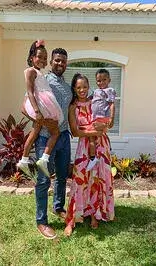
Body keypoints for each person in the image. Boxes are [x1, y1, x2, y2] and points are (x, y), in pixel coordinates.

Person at [64, 73, 115, 237]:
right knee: (79, 180)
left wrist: (107, 122)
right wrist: (94, 131)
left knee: (98, 179)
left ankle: (95, 214)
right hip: (84, 148)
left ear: (89, 86)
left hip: (102, 145)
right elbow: (75, 131)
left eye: (85, 86)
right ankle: (72, 218)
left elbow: (107, 123)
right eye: (78, 87)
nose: (82, 90)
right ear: (74, 88)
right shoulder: (73, 106)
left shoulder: (96, 100)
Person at [35, 48, 72, 239]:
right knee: (43, 180)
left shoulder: (67, 86)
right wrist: (42, 121)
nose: (60, 64)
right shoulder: (42, 81)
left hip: (64, 137)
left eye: (63, 61)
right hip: (45, 138)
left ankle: (59, 207)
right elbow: (26, 106)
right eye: (57, 60)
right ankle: (41, 221)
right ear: (51, 61)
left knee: (62, 176)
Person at [17, 40, 64, 177]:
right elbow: (30, 92)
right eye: (39, 57)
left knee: (35, 132)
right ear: (32, 57)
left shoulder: (38, 72)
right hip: (41, 105)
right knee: (55, 132)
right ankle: (44, 159)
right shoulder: (30, 71)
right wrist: (37, 111)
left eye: (45, 58)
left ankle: (24, 160)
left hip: (42, 104)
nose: (42, 60)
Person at [86, 68, 116, 171]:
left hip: (103, 117)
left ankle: (93, 158)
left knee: (92, 136)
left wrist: (112, 118)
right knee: (97, 136)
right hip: (95, 118)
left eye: (104, 80)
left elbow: (112, 104)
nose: (101, 82)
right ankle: (106, 151)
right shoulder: (95, 91)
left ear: (109, 80)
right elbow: (89, 100)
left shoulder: (109, 90)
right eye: (99, 80)